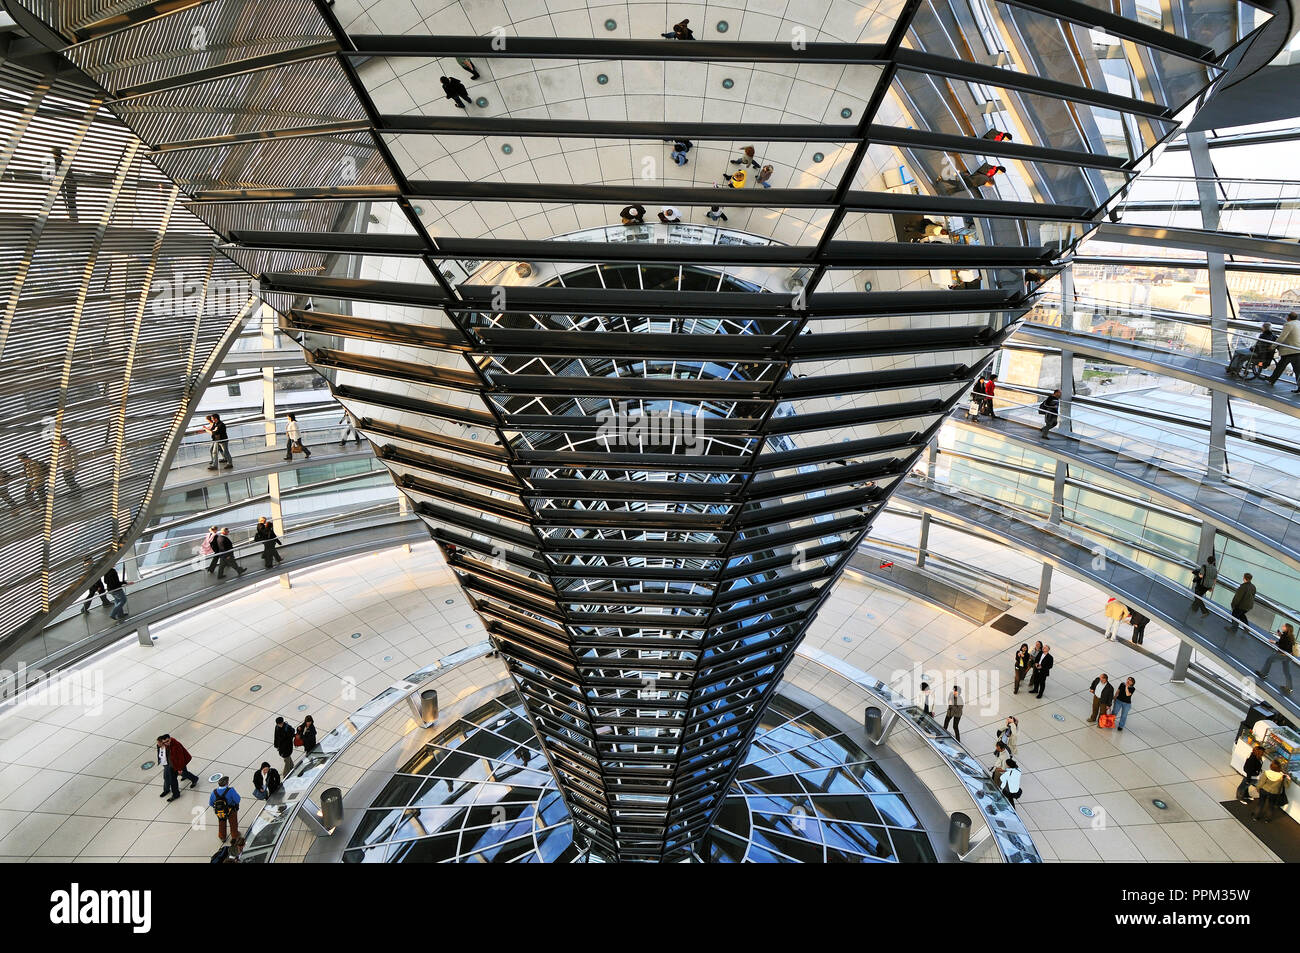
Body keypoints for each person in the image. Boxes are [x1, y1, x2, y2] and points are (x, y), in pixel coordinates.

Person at [1255, 622, 1296, 694]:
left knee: (1269, 659)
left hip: (1283, 655)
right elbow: (1285, 643)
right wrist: (1280, 635)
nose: (1282, 626)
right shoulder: (1289, 636)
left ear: (1287, 628)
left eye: (1284, 626)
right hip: (1289, 656)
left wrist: (1274, 642)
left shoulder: (1285, 636)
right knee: (1287, 672)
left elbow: (1283, 646)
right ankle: (1289, 688)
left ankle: (1264, 674)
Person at [1264, 311, 1300, 391]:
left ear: (1288, 317)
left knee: (1280, 366)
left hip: (1290, 350)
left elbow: (1282, 337)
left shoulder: (1288, 324)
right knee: (1298, 370)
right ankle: (1299, 387)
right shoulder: (1298, 323)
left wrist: (1273, 346)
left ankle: (1272, 380)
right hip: (1298, 350)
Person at [157, 734, 199, 802]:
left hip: (178, 764)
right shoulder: (166, 745)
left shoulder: (176, 746)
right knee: (172, 780)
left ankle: (195, 779)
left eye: (167, 741)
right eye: (164, 742)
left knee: (184, 773)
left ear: (170, 739)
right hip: (171, 765)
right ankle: (176, 795)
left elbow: (180, 758)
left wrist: (180, 768)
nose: (166, 743)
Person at [210, 776, 241, 843]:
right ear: (227, 783)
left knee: (221, 823)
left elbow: (211, 803)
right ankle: (234, 836)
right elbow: (237, 800)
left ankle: (222, 837)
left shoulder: (214, 792)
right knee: (233, 823)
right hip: (231, 810)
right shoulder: (231, 790)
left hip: (220, 811)